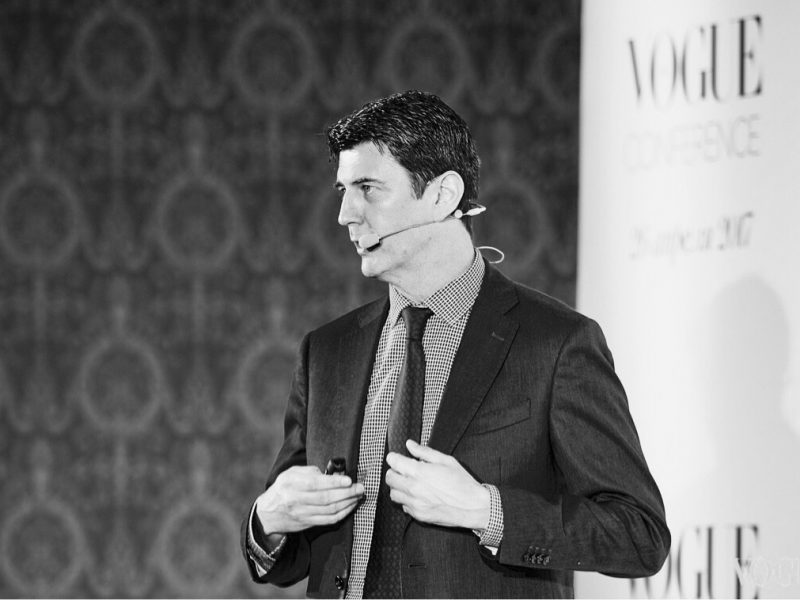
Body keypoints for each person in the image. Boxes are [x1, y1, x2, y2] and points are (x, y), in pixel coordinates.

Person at [241, 90, 670, 598]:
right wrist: (269, 518)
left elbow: (638, 535)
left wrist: (486, 511)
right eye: (342, 190)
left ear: (444, 194)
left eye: (368, 189)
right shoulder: (326, 352)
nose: (345, 215)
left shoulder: (557, 344)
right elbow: (289, 559)